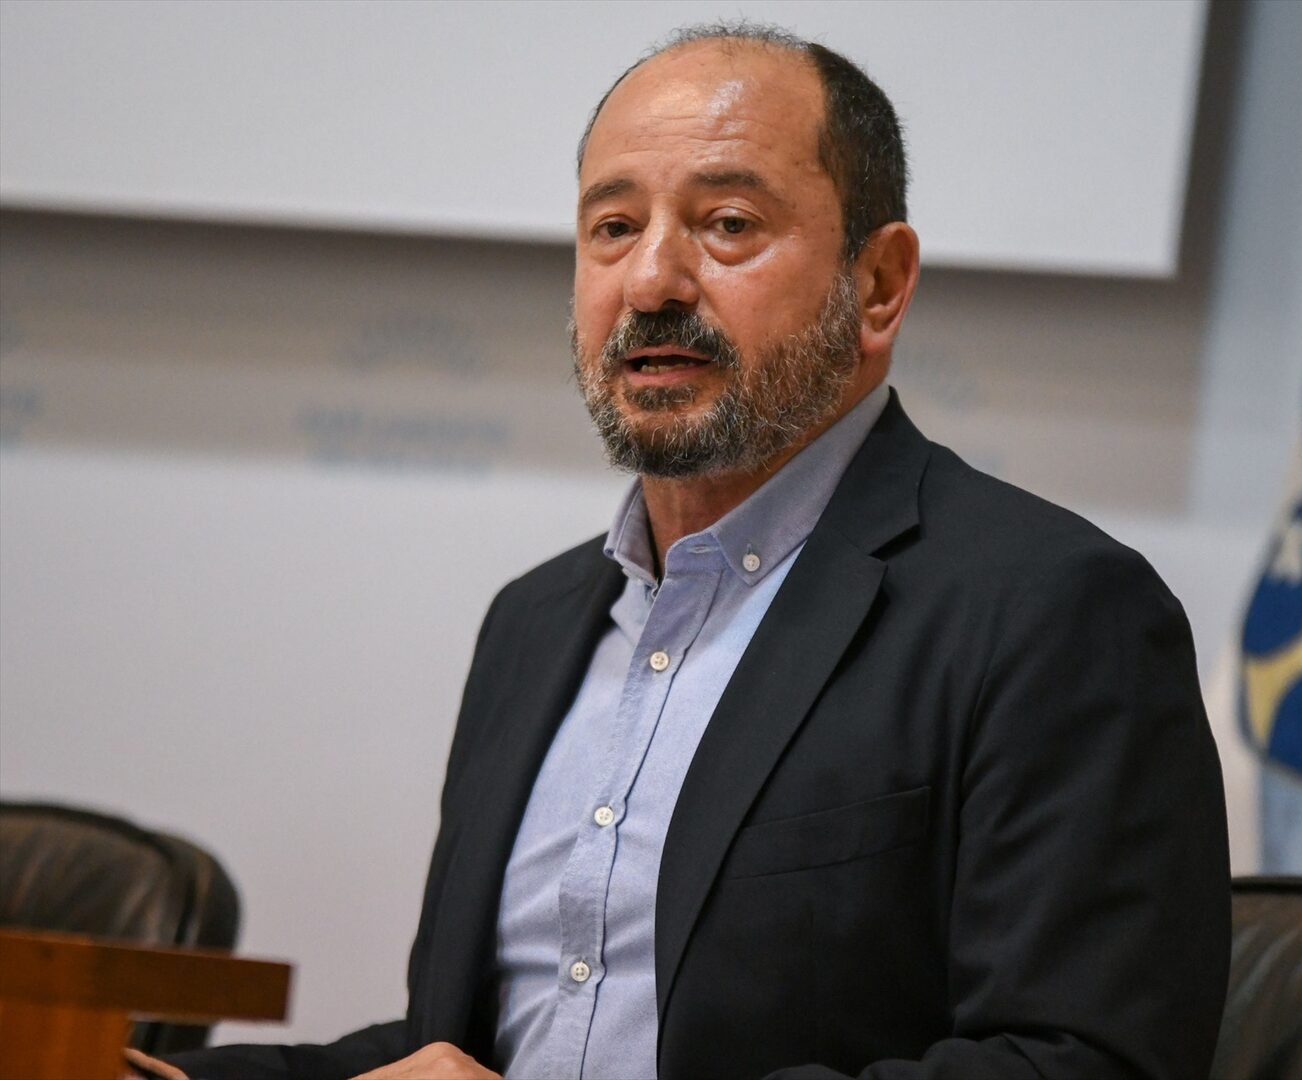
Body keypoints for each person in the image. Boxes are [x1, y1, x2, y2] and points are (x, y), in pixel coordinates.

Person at [143, 22, 1230, 1080]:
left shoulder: (1050, 611)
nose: (651, 282)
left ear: (879, 283)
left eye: (727, 224)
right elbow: (470, 1048)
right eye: (613, 228)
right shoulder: (534, 622)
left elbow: (1080, 1057)